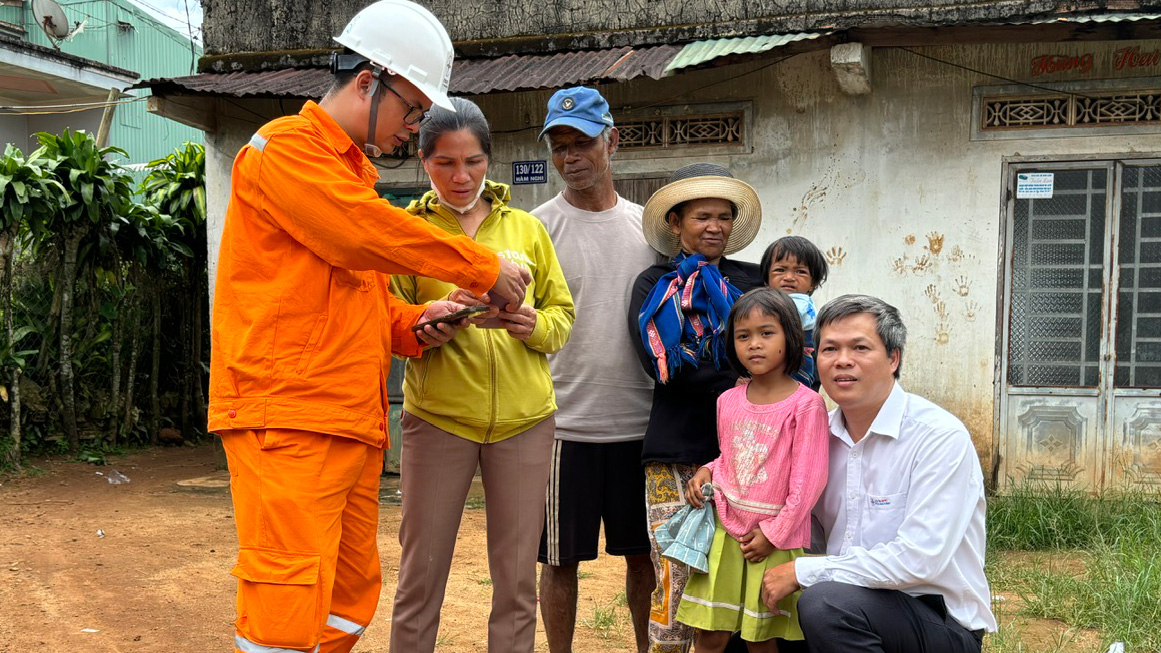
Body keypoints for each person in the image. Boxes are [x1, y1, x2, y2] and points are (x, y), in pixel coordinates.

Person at [208, 2, 531, 652]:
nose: (412, 130)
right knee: (287, 598)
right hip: (290, 415)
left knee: (348, 594)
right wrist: (480, 265)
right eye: (412, 112)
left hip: (345, 420)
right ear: (367, 82)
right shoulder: (285, 150)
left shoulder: (345, 175)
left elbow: (363, 302)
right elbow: (359, 233)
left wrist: (418, 323)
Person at [388, 97, 575, 653]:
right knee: (420, 577)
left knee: (517, 581)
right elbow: (388, 318)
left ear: (489, 160)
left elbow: (562, 317)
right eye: (445, 162)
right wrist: (432, 321)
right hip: (438, 420)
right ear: (424, 162)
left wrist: (530, 323)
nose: (460, 176)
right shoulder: (407, 233)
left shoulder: (527, 230)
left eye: (472, 161)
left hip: (525, 422)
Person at [760, 295, 998, 653]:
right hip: (851, 606)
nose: (843, 361)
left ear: (893, 358)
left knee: (826, 604)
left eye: (860, 347)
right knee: (750, 622)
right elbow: (808, 534)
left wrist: (803, 572)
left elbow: (920, 560)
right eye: (830, 349)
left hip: (936, 621)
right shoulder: (816, 437)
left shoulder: (937, 436)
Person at [534, 86, 659, 653]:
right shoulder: (535, 230)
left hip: (643, 427)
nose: (570, 158)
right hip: (563, 428)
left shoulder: (651, 231)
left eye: (581, 142)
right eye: (559, 146)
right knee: (559, 562)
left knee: (647, 557)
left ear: (612, 140)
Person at [628, 163, 765, 653]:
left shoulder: (754, 283)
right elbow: (661, 365)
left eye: (724, 217)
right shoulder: (654, 285)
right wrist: (742, 378)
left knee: (741, 581)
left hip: (748, 457)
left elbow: (785, 351)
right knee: (676, 576)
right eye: (703, 216)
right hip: (677, 449)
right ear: (676, 224)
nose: (715, 226)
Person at [677, 288, 829, 653]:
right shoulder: (727, 400)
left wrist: (774, 535)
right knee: (709, 634)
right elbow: (732, 456)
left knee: (761, 640)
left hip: (771, 540)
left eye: (767, 333)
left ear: (790, 337)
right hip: (725, 535)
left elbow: (809, 481)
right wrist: (707, 472)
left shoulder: (806, 405)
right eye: (743, 336)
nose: (754, 345)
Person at [758, 236, 829, 390]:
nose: (789, 277)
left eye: (800, 272)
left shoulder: (798, 303)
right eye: (780, 270)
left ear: (813, 282)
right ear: (766, 278)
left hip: (795, 371)